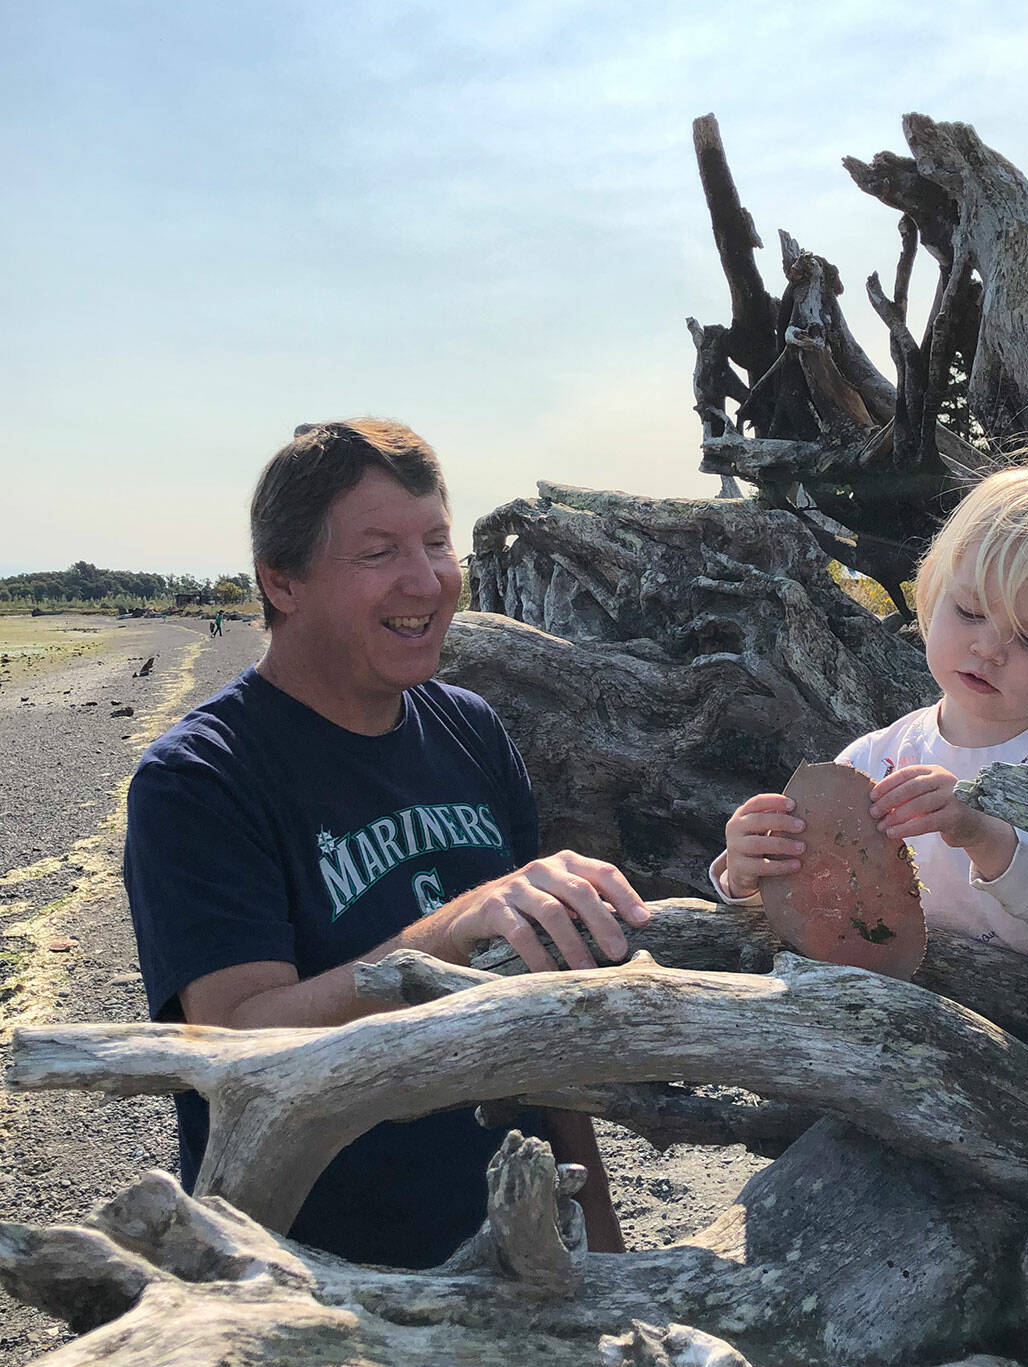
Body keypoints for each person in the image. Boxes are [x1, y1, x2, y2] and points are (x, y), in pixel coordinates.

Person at [124, 418, 650, 1266]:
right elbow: (240, 1039)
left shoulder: (470, 729)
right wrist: (448, 931)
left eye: (438, 541)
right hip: (314, 1272)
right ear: (282, 581)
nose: (429, 579)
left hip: (515, 1239)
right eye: (378, 552)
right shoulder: (201, 778)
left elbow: (541, 1002)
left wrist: (597, 1232)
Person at [710, 445, 1028, 985]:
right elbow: (824, 913)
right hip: (921, 1013)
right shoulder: (871, 760)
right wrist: (746, 874)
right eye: (970, 613)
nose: (989, 650)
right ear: (932, 591)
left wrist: (980, 832)